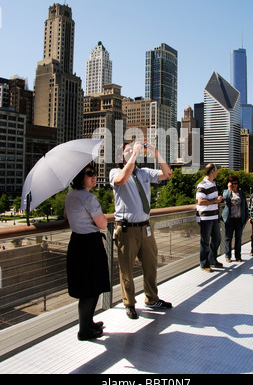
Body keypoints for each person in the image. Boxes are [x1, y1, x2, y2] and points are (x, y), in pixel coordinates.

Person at [109, 141, 173, 319]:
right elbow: (121, 180)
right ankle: (129, 303)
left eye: (133, 149)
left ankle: (152, 298)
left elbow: (168, 174)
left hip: (145, 227)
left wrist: (155, 152)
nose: (131, 151)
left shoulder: (143, 173)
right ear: (120, 156)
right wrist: (135, 155)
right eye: (127, 150)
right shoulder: (115, 172)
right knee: (126, 269)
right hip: (127, 230)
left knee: (151, 265)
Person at [64, 164, 110, 341]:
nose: (94, 177)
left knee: (91, 286)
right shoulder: (88, 198)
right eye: (89, 174)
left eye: (95, 173)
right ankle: (84, 330)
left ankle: (89, 323)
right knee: (89, 289)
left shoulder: (70, 195)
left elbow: (67, 216)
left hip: (76, 243)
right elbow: (103, 224)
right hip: (90, 245)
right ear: (79, 177)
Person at [196, 163, 223, 272]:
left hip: (214, 216)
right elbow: (200, 201)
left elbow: (210, 200)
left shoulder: (212, 184)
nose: (217, 173)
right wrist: (215, 201)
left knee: (217, 239)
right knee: (205, 242)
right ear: (212, 171)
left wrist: (218, 201)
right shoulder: (202, 185)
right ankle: (204, 264)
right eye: (216, 170)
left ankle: (212, 259)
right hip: (205, 218)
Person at [222, 175, 249, 263]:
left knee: (238, 238)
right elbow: (224, 198)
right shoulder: (227, 192)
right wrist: (229, 188)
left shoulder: (241, 193)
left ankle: (238, 256)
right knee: (228, 238)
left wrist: (247, 216)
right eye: (232, 183)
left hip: (239, 218)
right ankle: (228, 255)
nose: (234, 185)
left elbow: (245, 205)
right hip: (230, 219)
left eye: (235, 183)